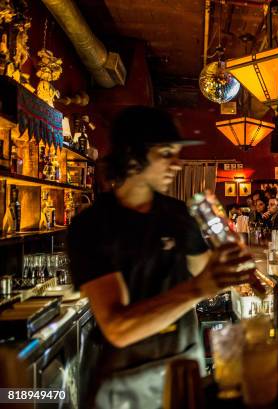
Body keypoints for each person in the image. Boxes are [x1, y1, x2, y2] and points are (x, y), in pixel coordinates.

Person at [67, 106, 256, 408]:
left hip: (183, 362)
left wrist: (228, 263)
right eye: (166, 153)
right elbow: (117, 327)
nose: (177, 164)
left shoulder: (178, 215)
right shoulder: (92, 226)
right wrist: (198, 289)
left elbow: (205, 274)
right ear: (132, 157)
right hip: (127, 380)